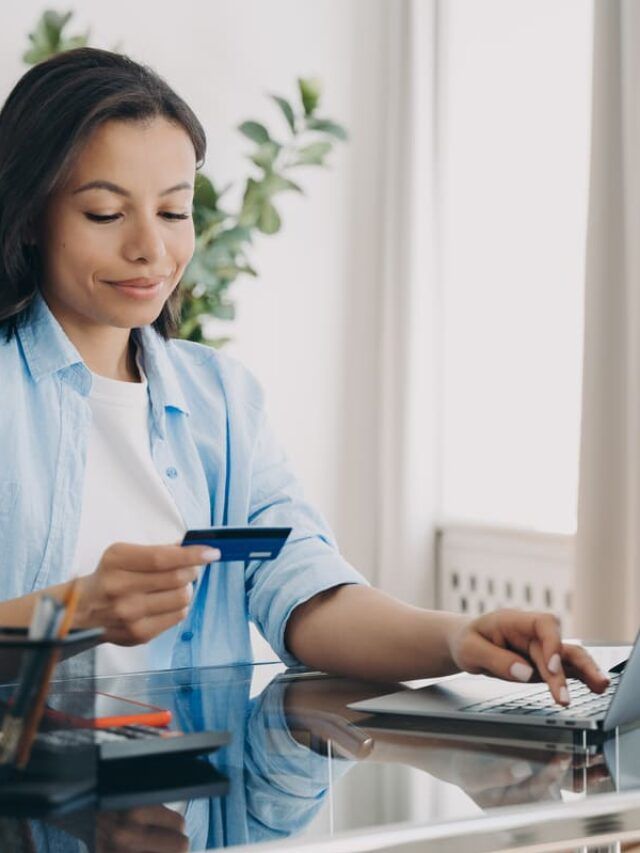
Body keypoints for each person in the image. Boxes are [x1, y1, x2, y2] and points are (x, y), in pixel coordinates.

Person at [0, 48, 608, 703]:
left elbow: (304, 588)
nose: (151, 247)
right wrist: (70, 610)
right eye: (105, 213)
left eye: (174, 212)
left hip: (188, 797)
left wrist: (459, 638)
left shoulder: (222, 401)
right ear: (33, 216)